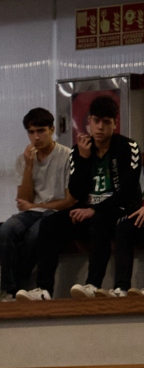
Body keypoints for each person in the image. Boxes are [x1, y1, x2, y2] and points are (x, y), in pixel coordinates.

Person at [61, 95, 144, 298]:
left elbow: (128, 191)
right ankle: (41, 289)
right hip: (90, 209)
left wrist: (94, 210)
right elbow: (76, 193)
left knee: (114, 224)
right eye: (96, 121)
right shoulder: (79, 150)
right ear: (88, 122)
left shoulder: (128, 147)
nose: (100, 127)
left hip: (123, 207)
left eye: (106, 122)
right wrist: (83, 159)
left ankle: (115, 286)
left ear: (115, 123)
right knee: (47, 226)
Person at [0, 108, 75, 301]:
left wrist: (34, 206)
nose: (36, 137)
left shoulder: (67, 156)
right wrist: (29, 167)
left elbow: (69, 201)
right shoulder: (23, 160)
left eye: (41, 131)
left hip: (55, 212)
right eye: (31, 132)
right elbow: (23, 200)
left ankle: (11, 282)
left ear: (52, 130)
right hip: (31, 211)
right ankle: (9, 289)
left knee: (36, 233)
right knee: (6, 230)